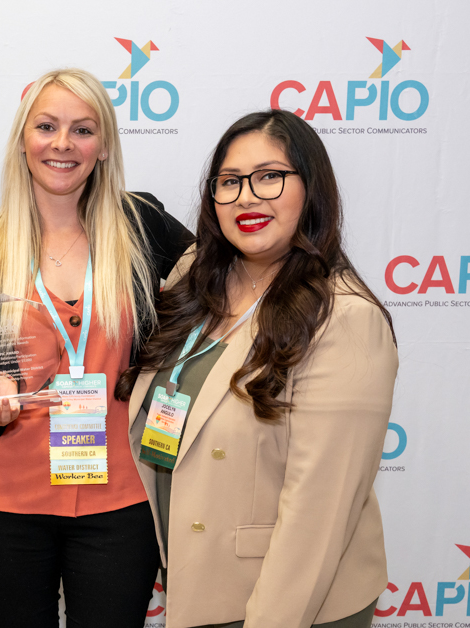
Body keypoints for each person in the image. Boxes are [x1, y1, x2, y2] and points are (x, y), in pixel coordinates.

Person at [120, 109, 398, 628]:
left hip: (284, 603)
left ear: (311, 188)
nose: (247, 197)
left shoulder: (345, 319)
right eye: (229, 181)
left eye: (270, 176)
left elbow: (319, 513)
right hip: (195, 582)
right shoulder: (194, 277)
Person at [0, 68, 193, 628]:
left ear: (104, 146)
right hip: (4, 500)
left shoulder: (143, 226)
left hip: (122, 499)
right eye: (47, 126)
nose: (62, 144)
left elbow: (221, 288)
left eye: (83, 130)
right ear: (22, 140)